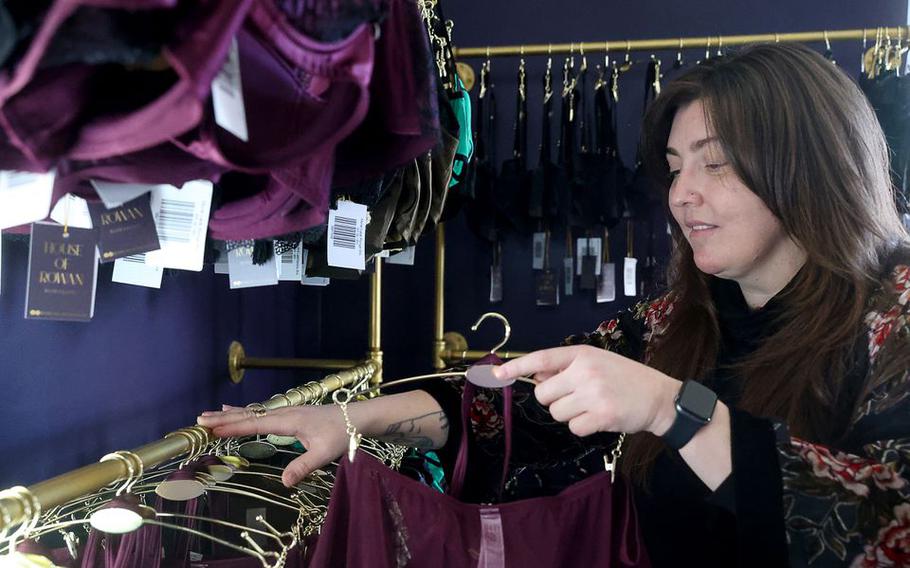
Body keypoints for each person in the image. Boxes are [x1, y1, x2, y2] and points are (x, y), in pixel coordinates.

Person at [198, 43, 910, 567]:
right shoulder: (675, 323)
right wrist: (353, 417)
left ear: (809, 162)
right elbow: (518, 409)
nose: (682, 193)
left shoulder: (895, 318)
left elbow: (890, 525)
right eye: (673, 167)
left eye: (715, 163)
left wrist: (674, 410)